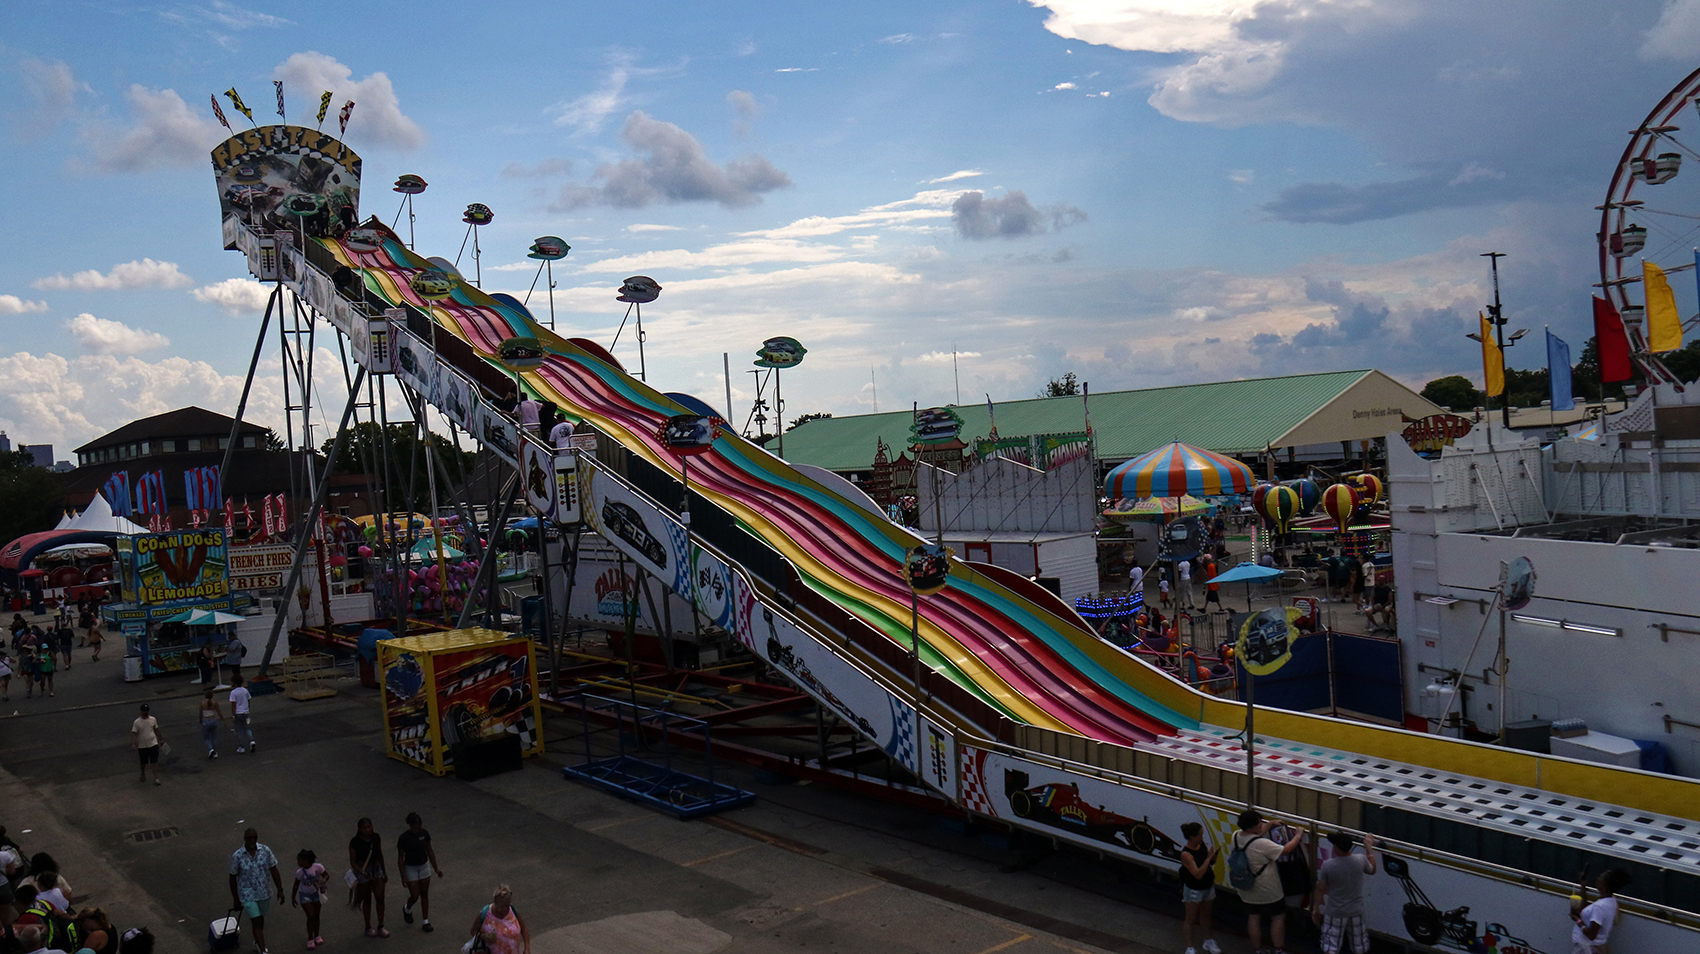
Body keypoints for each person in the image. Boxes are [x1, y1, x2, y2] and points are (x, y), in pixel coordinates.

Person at [1232, 809, 1307, 954]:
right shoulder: (1262, 844)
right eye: (1260, 823)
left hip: (1246, 888)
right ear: (1253, 826)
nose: (1262, 825)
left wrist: (1270, 824)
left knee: (1254, 918)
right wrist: (1297, 835)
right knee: (1278, 917)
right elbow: (1285, 850)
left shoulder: (1236, 836)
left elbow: (1254, 836)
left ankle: (1257, 949)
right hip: (1268, 890)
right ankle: (1278, 949)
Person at [1313, 832, 1377, 954]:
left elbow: (1320, 888)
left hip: (1336, 911)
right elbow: (1372, 869)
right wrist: (1369, 848)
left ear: (1337, 848)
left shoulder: (1328, 865)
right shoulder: (1360, 859)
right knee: (1359, 945)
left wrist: (1316, 909)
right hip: (1356, 910)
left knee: (1331, 946)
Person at [228, 828, 285, 954]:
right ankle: (263, 950)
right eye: (249, 838)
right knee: (256, 920)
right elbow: (232, 877)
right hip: (247, 894)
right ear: (245, 839)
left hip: (264, 892)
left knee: (260, 919)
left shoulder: (265, 850)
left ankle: (258, 942)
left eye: (255, 838)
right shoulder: (238, 856)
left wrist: (280, 889)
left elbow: (274, 869)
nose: (252, 841)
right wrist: (236, 899)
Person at [397, 811, 444, 932]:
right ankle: (407, 908)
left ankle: (425, 921)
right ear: (410, 826)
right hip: (410, 867)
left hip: (424, 865)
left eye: (419, 827)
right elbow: (401, 858)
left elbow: (430, 851)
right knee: (415, 895)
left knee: (424, 893)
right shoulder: (404, 838)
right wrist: (403, 876)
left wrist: (436, 868)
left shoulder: (424, 834)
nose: (417, 830)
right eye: (415, 828)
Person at [1177, 822, 1220, 954]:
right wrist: (1208, 858)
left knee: (1206, 915)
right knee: (1190, 918)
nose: (1202, 838)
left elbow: (1210, 862)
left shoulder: (1202, 845)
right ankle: (1190, 947)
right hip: (1194, 889)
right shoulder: (1186, 854)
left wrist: (1213, 856)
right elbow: (1197, 874)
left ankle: (1208, 940)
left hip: (1207, 886)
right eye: (1200, 835)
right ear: (1192, 837)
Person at [348, 817, 389, 938]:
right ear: (360, 829)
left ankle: (381, 925)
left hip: (376, 868)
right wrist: (362, 871)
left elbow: (380, 854)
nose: (368, 830)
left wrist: (384, 871)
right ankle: (368, 926)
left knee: (380, 898)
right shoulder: (355, 842)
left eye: (369, 827)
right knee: (367, 900)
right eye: (365, 828)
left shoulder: (376, 837)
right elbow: (353, 861)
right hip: (363, 871)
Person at [1572, 868, 1630, 953]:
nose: (1597, 878)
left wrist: (1577, 920)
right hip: (1595, 948)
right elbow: (1587, 911)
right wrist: (1583, 886)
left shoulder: (1599, 907)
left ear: (1603, 883)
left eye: (1600, 877)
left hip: (1587, 949)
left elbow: (1591, 935)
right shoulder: (1611, 902)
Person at [468, 885, 529, 954]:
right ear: (495, 902)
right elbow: (473, 931)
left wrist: (527, 948)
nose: (505, 908)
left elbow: (524, 930)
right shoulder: (485, 914)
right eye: (502, 906)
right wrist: (484, 937)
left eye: (507, 905)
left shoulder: (513, 912)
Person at [291, 849, 327, 950]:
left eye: (299, 860)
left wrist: (323, 880)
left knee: (316, 915)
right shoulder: (299, 872)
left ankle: (317, 935)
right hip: (305, 895)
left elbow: (326, 875)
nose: (298, 862)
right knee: (311, 916)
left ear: (305, 861)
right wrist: (293, 897)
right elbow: (296, 884)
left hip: (316, 894)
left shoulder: (318, 867)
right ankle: (310, 938)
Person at [130, 703, 163, 785]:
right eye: (144, 711)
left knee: (154, 761)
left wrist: (160, 739)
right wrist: (134, 743)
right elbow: (134, 733)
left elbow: (156, 730)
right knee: (143, 762)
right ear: (141, 711)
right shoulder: (137, 722)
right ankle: (142, 773)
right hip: (142, 745)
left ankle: (155, 778)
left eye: (147, 711)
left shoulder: (153, 719)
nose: (145, 712)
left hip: (153, 743)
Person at [230, 674, 255, 754]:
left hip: (238, 713)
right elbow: (248, 701)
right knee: (247, 728)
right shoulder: (245, 690)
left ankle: (241, 747)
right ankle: (252, 741)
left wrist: (233, 715)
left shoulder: (233, 692)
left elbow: (233, 705)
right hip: (245, 712)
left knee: (239, 730)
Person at [199, 688, 225, 759]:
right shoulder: (215, 703)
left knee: (207, 738)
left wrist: (200, 720)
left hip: (206, 720)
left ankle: (211, 749)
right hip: (213, 720)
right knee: (213, 737)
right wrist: (222, 718)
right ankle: (215, 752)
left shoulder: (202, 703)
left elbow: (200, 713)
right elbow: (218, 711)